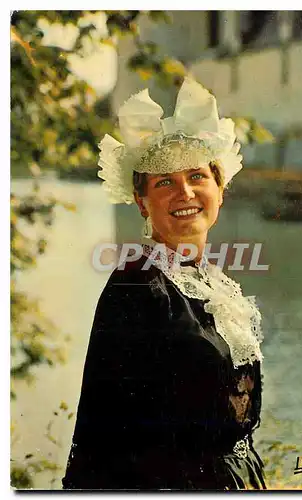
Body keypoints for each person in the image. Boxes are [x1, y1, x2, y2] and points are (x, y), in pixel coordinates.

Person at [62, 78, 266, 490]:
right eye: (165, 182)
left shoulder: (213, 282)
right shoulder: (137, 284)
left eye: (197, 176)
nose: (185, 192)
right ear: (141, 202)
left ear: (220, 189)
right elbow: (100, 427)